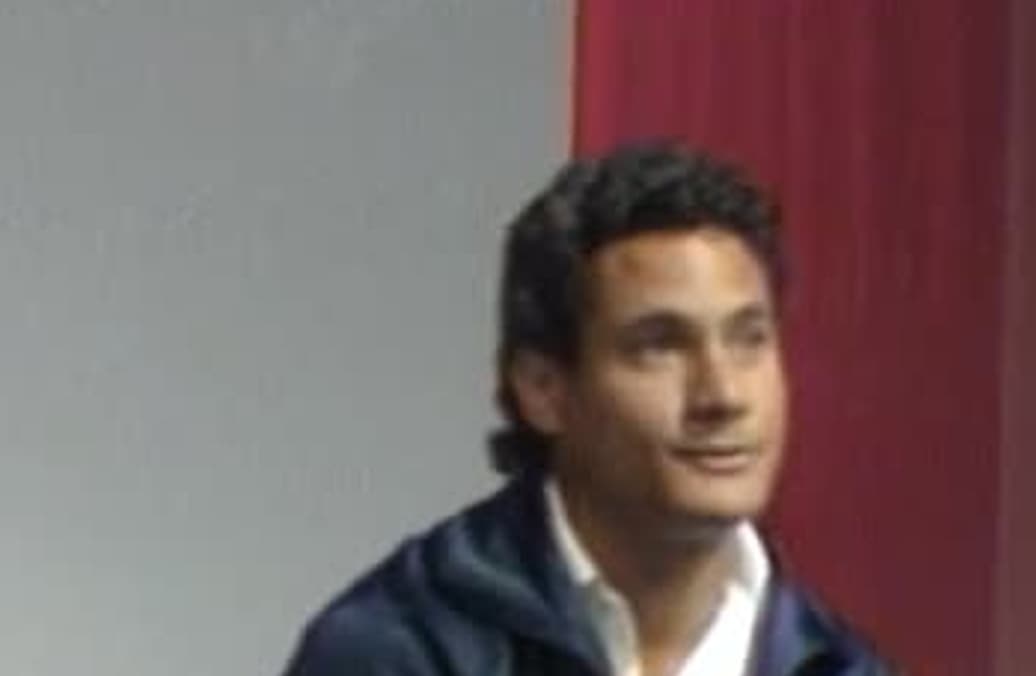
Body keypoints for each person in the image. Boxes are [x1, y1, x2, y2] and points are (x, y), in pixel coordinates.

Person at [283, 141, 893, 675]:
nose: (723, 396)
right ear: (543, 389)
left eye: (749, 340)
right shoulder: (399, 649)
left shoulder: (840, 666)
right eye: (660, 346)